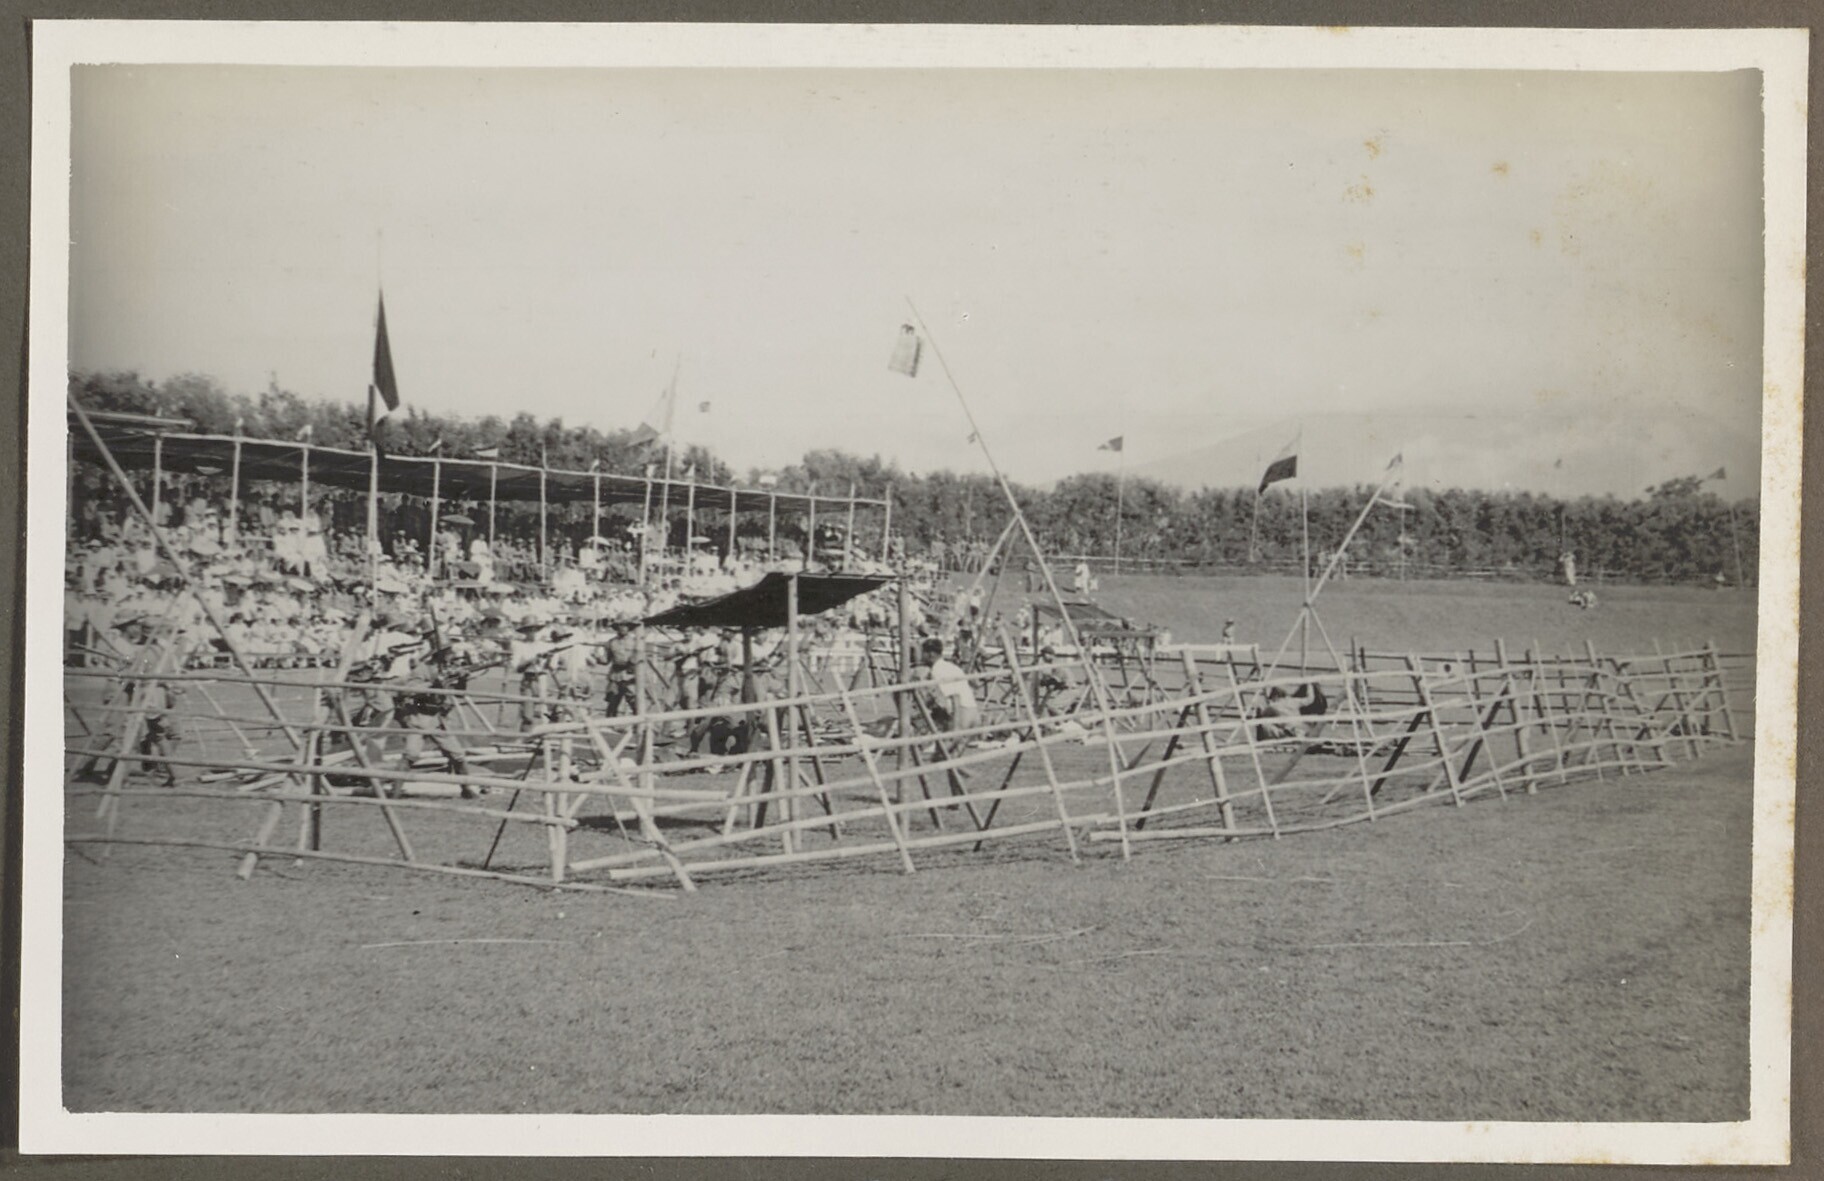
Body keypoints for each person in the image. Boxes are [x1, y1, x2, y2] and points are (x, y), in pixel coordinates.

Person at [917, 637, 978, 737]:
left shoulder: (938, 671)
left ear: (931, 654)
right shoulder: (951, 667)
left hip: (962, 714)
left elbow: (955, 697)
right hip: (973, 712)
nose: (921, 656)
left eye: (923, 652)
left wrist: (955, 728)